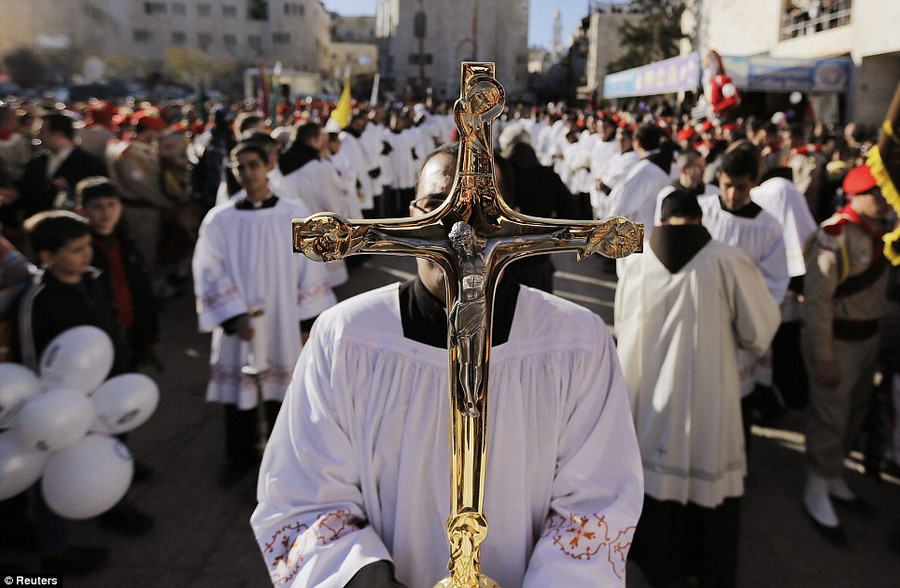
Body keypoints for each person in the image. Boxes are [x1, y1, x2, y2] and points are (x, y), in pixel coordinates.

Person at [250, 143, 644, 587]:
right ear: (411, 215)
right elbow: (304, 495)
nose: (459, 227)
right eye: (437, 206)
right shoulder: (345, 337)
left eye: (482, 210)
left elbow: (597, 503)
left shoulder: (577, 343)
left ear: (515, 223)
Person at [615, 189, 780, 587]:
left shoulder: (634, 264)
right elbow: (759, 333)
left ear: (662, 218)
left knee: (654, 484)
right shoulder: (728, 260)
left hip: (649, 408)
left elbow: (622, 329)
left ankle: (656, 565)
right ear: (700, 219)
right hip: (709, 402)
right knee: (708, 482)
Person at [16, 210, 154, 574]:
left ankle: (114, 504)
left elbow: (112, 325)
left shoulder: (94, 279)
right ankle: (54, 549)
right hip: (64, 407)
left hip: (109, 389)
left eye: (87, 246)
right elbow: (31, 357)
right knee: (57, 469)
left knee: (112, 447)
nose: (86, 255)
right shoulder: (38, 300)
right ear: (47, 257)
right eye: (76, 249)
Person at [192, 141, 336, 487]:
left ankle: (283, 463)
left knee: (282, 393)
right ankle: (238, 458)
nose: (247, 172)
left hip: (284, 321)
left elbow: (311, 268)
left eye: (253, 164)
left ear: (268, 165)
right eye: (240, 167)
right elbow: (208, 268)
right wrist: (233, 317)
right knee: (239, 396)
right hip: (241, 325)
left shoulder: (294, 212)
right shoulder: (220, 219)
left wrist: (306, 321)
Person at [801, 163, 893, 546]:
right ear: (855, 195)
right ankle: (816, 485)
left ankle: (834, 474)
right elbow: (818, 303)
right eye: (876, 193)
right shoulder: (834, 235)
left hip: (868, 339)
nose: (883, 199)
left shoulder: (883, 231)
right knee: (831, 416)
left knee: (855, 410)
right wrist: (823, 355)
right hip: (837, 341)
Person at [76, 176, 159, 372]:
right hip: (100, 340)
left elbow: (143, 291)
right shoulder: (81, 251)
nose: (106, 213)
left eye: (111, 204)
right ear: (81, 210)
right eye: (97, 206)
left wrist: (150, 337)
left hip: (132, 331)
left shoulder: (125, 242)